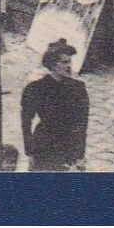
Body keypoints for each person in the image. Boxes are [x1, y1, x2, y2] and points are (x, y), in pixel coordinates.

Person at [19, 38, 89, 171]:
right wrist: (30, 152)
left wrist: (80, 155)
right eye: (64, 62)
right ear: (51, 64)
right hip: (44, 145)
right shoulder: (35, 88)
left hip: (69, 146)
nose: (69, 66)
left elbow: (82, 123)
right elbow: (26, 122)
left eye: (70, 61)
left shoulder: (78, 88)